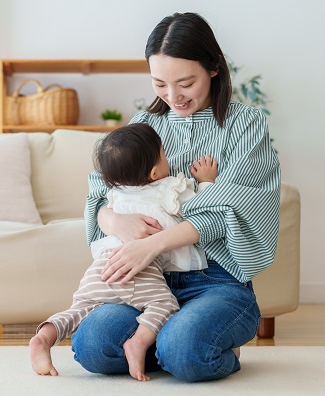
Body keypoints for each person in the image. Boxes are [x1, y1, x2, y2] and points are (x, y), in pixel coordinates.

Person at [72, 12, 281, 382]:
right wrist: (115, 220)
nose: (173, 97)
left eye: (186, 83)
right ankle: (167, 342)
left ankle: (184, 345)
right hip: (146, 282)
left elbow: (230, 208)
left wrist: (150, 245)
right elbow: (103, 193)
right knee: (91, 345)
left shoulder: (246, 124)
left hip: (215, 280)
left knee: (185, 353)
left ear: (214, 68)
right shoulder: (146, 122)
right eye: (160, 84)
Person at [30, 123, 218, 381]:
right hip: (138, 268)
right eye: (164, 155)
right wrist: (206, 182)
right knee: (165, 304)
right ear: (154, 172)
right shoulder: (170, 189)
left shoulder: (115, 194)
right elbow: (201, 210)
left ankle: (44, 336)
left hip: (101, 267)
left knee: (81, 308)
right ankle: (138, 342)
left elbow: (98, 212)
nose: (168, 160)